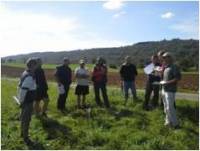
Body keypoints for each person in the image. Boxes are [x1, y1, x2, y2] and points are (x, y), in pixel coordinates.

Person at [18, 58, 37, 144]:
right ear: (32, 65)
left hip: (26, 100)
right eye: (35, 65)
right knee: (26, 119)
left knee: (23, 118)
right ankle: (25, 137)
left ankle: (23, 133)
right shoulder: (29, 76)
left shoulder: (25, 73)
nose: (36, 66)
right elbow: (23, 90)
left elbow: (19, 86)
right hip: (27, 101)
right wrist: (21, 101)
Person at [161, 52, 181, 128]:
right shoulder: (166, 67)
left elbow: (178, 78)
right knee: (166, 107)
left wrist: (167, 83)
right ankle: (168, 122)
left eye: (165, 57)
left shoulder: (174, 67)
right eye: (163, 58)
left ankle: (176, 124)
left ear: (170, 58)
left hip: (170, 90)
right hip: (164, 89)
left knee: (170, 107)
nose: (164, 59)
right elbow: (164, 77)